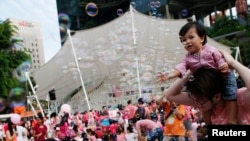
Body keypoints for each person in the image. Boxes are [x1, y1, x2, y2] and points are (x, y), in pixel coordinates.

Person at [157, 21, 238, 125]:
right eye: (183, 40)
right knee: (203, 102)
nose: (187, 42)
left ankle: (232, 120)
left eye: (191, 37)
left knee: (231, 95)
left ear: (202, 38)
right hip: (205, 84)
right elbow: (180, 68)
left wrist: (224, 65)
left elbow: (220, 60)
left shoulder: (211, 50)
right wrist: (169, 75)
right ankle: (208, 125)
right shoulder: (188, 58)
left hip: (223, 77)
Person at [163, 49, 250, 125]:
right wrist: (191, 70)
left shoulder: (240, 99)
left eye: (199, 100)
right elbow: (169, 94)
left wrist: (233, 63)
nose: (196, 103)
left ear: (217, 97)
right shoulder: (203, 100)